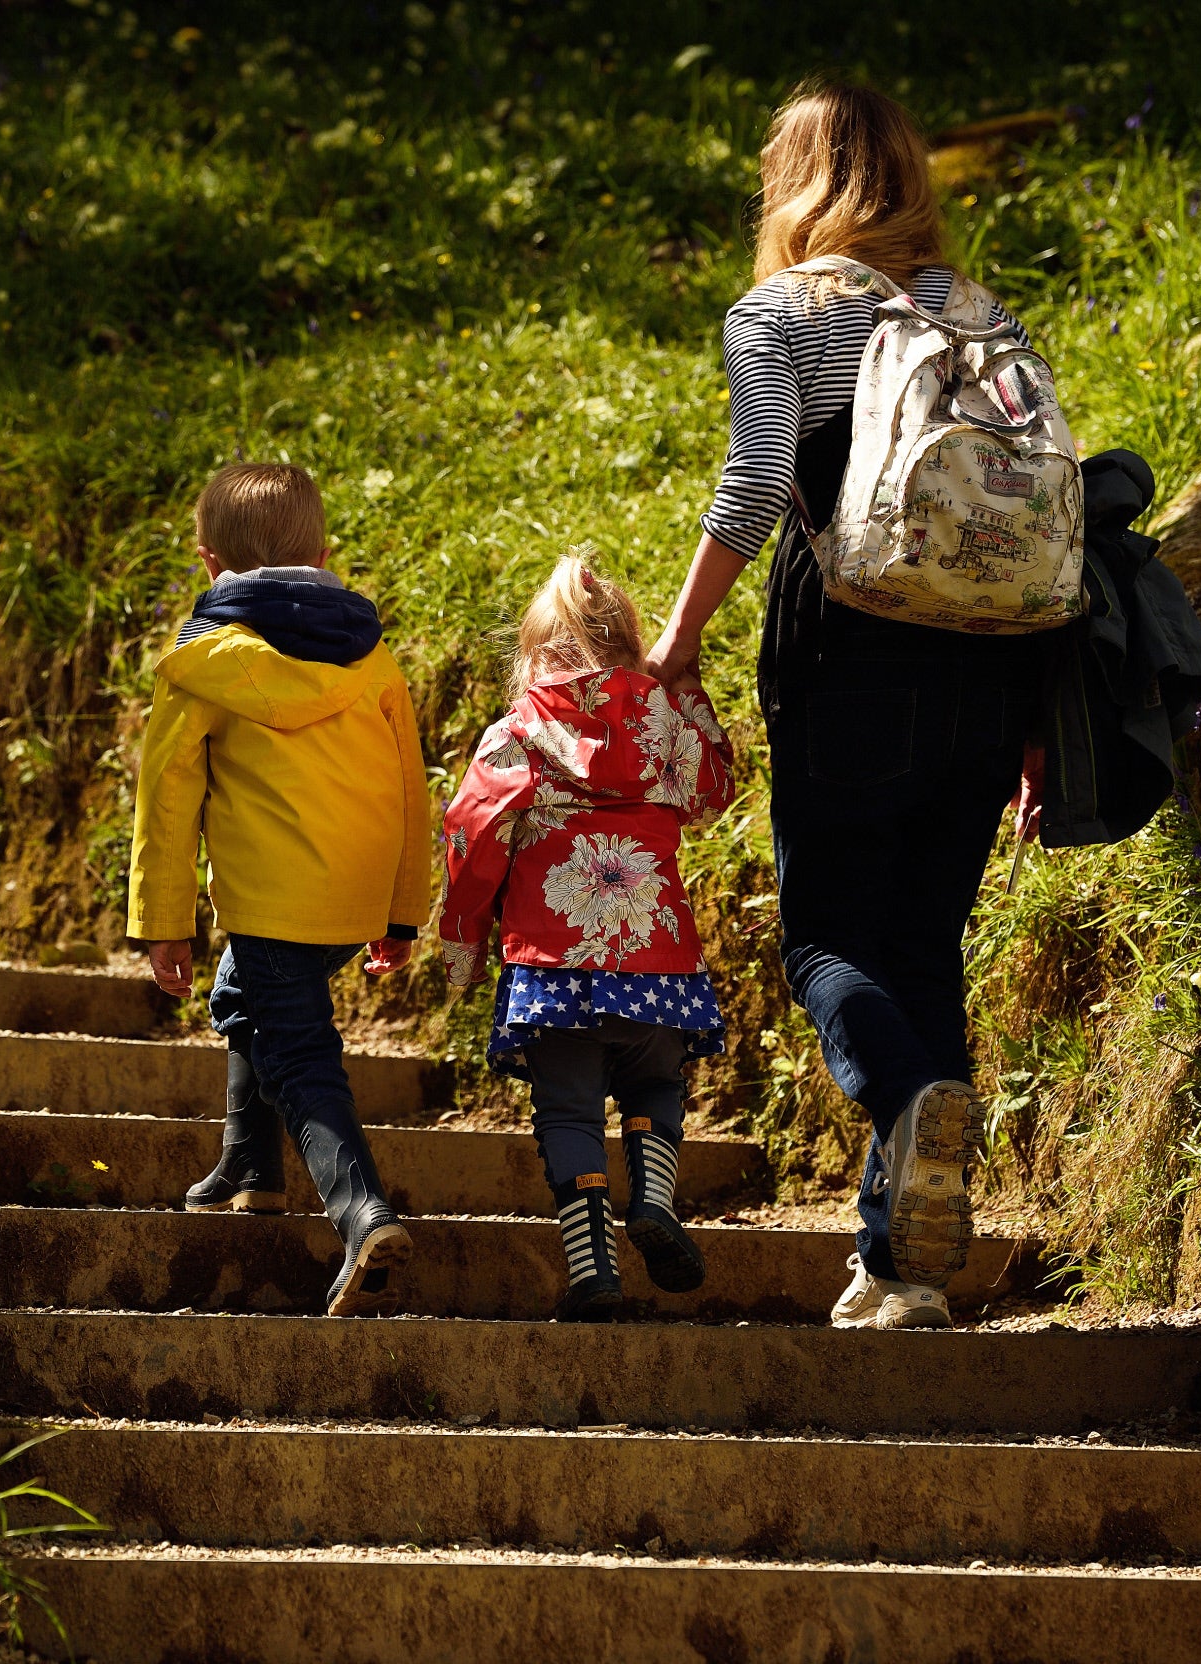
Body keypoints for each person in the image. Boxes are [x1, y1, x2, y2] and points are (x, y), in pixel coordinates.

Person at [640, 81, 1048, 1332]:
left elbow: (757, 478)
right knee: (921, 937)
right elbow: (1041, 506)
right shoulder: (987, 317)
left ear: (795, 179)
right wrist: (1039, 708)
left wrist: (675, 639)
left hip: (849, 642)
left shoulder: (778, 312)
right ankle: (902, 1267)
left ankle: (911, 1092)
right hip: (994, 649)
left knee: (824, 935)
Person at [127, 460, 433, 1318]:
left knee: (299, 1052)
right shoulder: (373, 655)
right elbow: (413, 786)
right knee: (247, 995)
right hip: (359, 891)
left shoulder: (200, 664)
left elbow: (168, 800)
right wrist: (405, 909)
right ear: (326, 554)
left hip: (272, 897)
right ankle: (250, 1166)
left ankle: (362, 1213)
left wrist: (162, 922)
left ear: (206, 563)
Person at [436, 553, 735, 1321]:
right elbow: (713, 792)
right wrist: (687, 689)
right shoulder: (662, 722)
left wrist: (463, 942)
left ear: (535, 655)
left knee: (567, 1116)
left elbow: (472, 839)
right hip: (657, 960)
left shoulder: (516, 736)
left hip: (553, 969)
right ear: (632, 653)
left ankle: (593, 1271)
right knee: (656, 1086)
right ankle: (657, 1203)